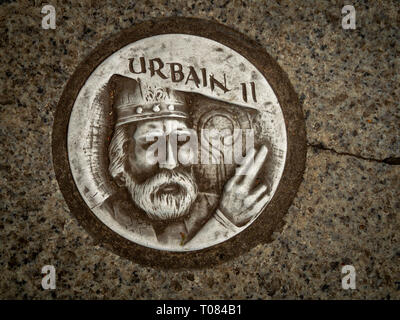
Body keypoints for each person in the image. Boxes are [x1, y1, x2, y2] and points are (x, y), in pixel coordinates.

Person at [100, 74, 270, 247]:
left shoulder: (223, 205)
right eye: (151, 142)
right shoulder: (105, 217)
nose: (170, 162)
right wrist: (224, 222)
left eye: (181, 141)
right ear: (120, 165)